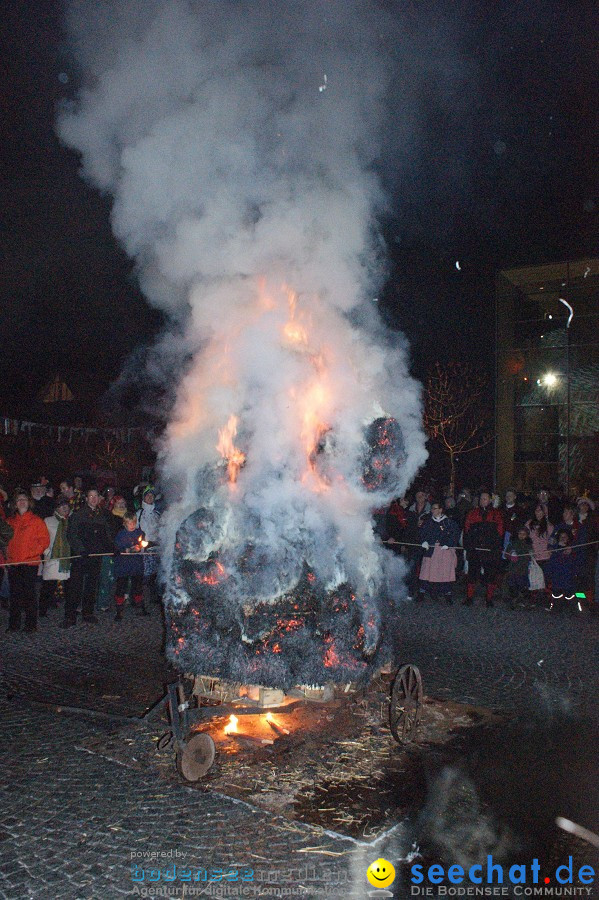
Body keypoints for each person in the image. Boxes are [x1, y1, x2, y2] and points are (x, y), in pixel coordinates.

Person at [64, 487, 112, 627]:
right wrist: (81, 549)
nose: (93, 499)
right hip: (81, 556)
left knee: (91, 586)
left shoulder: (102, 515)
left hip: (95, 556)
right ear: (86, 498)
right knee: (75, 586)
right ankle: (70, 615)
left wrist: (112, 547)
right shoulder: (79, 514)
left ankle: (88, 612)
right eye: (90, 496)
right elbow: (72, 534)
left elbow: (106, 535)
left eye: (96, 496)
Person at [5, 491, 50, 632]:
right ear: (15, 504)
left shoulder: (36, 521)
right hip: (13, 563)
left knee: (29, 595)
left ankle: (31, 625)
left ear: (29, 502)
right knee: (15, 596)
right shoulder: (9, 522)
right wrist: (7, 557)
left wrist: (31, 553)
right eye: (19, 500)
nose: (22, 502)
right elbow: (4, 542)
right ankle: (14, 625)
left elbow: (44, 541)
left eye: (24, 499)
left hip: (29, 563)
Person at [463, 491, 504, 607]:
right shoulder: (472, 513)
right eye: (481, 498)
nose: (482, 500)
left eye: (485, 498)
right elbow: (467, 530)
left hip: (490, 550)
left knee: (490, 575)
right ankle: (469, 597)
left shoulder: (496, 514)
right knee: (472, 574)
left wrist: (496, 548)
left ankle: (489, 599)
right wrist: (469, 547)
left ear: (490, 500)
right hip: (475, 549)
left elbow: (500, 532)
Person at [418, 501, 461, 604]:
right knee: (426, 571)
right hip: (431, 550)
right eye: (432, 508)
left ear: (440, 510)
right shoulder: (428, 522)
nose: (432, 510)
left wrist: (449, 543)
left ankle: (448, 594)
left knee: (445, 572)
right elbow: (422, 533)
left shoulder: (449, 522)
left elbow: (455, 534)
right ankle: (421, 593)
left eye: (435, 508)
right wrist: (424, 541)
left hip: (444, 550)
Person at [40, 496, 72, 617]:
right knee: (48, 586)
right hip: (53, 559)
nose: (64, 508)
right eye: (61, 506)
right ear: (56, 508)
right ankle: (42, 610)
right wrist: (48, 552)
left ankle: (70, 611)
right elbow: (42, 539)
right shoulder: (48, 521)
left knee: (69, 586)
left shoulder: (72, 520)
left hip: (68, 559)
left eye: (66, 505)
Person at [114, 513, 148, 621]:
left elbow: (143, 544)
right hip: (123, 565)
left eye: (134, 523)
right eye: (129, 523)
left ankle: (139, 606)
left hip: (136, 565)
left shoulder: (140, 533)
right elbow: (117, 547)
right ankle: (119, 610)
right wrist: (126, 550)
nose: (132, 525)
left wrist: (140, 547)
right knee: (121, 587)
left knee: (138, 586)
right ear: (124, 524)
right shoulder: (120, 534)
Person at [136, 487, 161, 605]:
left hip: (155, 549)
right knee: (142, 575)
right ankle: (138, 598)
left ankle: (153, 597)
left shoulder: (157, 514)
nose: (150, 497)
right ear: (143, 497)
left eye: (152, 495)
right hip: (143, 549)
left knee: (154, 575)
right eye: (147, 495)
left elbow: (161, 531)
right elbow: (133, 530)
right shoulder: (139, 513)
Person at [544, 531, 577, 613]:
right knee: (556, 593)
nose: (563, 538)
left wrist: (570, 552)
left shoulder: (572, 549)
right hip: (557, 575)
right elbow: (551, 562)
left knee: (569, 594)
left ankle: (572, 609)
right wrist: (549, 573)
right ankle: (556, 608)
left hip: (568, 575)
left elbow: (575, 562)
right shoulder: (555, 549)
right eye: (561, 537)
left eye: (565, 536)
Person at [504, 526, 533, 608]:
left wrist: (531, 555)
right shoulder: (513, 543)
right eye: (520, 534)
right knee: (513, 586)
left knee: (523, 586)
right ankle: (513, 602)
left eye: (524, 534)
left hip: (523, 569)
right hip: (513, 569)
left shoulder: (528, 544)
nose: (521, 536)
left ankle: (525, 602)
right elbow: (506, 554)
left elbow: (530, 556)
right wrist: (511, 555)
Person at [526, 504, 554, 572]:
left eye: (540, 510)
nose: (538, 512)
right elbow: (525, 538)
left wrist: (551, 547)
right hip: (533, 557)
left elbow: (552, 540)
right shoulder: (529, 524)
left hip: (546, 557)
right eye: (536, 510)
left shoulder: (549, 526)